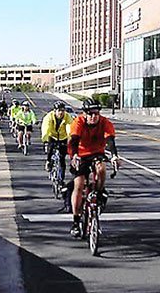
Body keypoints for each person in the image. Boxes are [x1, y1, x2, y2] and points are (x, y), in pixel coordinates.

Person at [67, 98, 119, 238]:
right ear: (84, 114)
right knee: (79, 184)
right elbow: (73, 141)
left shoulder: (105, 122)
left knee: (101, 168)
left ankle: (100, 193)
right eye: (90, 114)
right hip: (81, 154)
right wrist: (74, 156)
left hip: (97, 153)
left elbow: (110, 140)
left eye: (96, 113)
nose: (93, 116)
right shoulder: (78, 122)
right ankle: (76, 221)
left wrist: (114, 156)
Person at [41, 100, 74, 172]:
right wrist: (45, 140)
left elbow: (70, 128)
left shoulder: (67, 116)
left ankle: (61, 179)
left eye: (62, 110)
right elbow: (46, 128)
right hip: (52, 136)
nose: (61, 112)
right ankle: (48, 161)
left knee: (62, 158)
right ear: (54, 111)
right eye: (59, 110)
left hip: (63, 137)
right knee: (50, 149)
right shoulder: (49, 117)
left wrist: (70, 138)